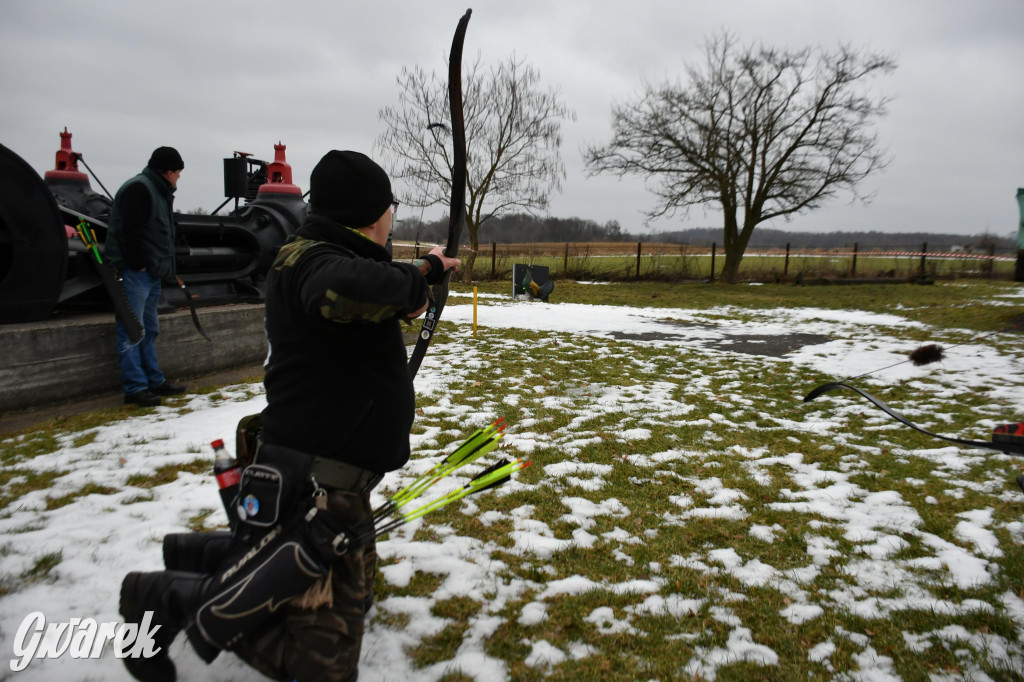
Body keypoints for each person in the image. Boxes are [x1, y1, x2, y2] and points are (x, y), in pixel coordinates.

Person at [118, 150, 460, 682]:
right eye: (390, 206)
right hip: (318, 481)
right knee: (319, 665)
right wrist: (424, 274)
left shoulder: (337, 255)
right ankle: (165, 599)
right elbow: (346, 288)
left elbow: (368, 290)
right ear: (371, 213)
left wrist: (410, 287)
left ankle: (205, 562)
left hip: (342, 477)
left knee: (330, 589)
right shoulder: (309, 259)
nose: (392, 215)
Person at [105, 146, 188, 407]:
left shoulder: (156, 191)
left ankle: (154, 380)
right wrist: (139, 264)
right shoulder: (140, 189)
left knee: (148, 330)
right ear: (168, 171)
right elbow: (129, 230)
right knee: (132, 331)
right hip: (135, 274)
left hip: (149, 274)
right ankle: (135, 387)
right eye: (178, 173)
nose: (178, 178)